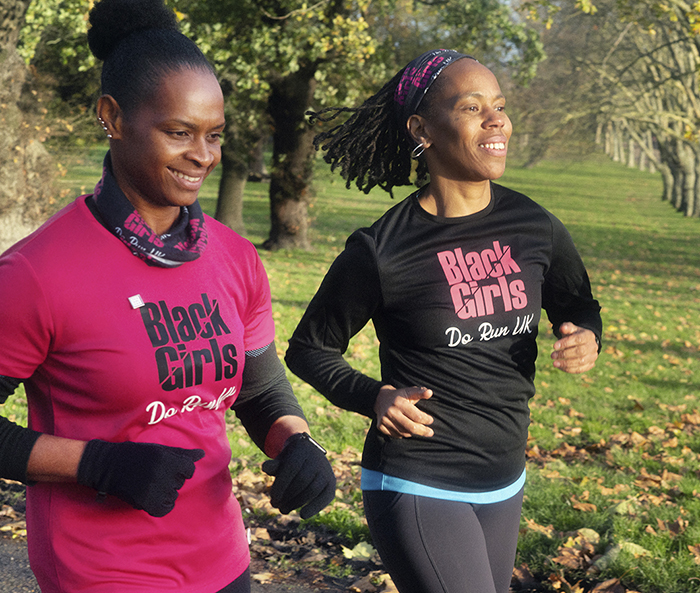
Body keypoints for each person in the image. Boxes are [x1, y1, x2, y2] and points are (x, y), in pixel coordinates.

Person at [0, 1, 337, 591]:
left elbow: (257, 388)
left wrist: (296, 440)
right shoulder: (36, 273)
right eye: (178, 132)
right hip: (101, 569)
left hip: (222, 557)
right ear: (112, 116)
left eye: (213, 135)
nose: (202, 156)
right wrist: (98, 465)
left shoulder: (235, 257)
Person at [286, 49, 603, 593]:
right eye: (472, 107)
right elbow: (310, 348)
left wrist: (587, 337)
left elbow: (577, 305)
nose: (496, 120)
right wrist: (375, 397)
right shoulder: (383, 249)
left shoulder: (533, 224)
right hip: (418, 479)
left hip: (504, 478)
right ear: (422, 129)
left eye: (499, 107)